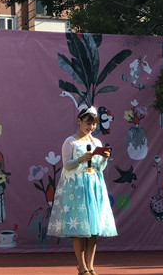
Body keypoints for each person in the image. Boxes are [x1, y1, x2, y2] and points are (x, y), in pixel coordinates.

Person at [47, 105, 117, 275]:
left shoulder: (96, 142)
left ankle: (90, 267)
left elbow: (99, 168)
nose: (91, 127)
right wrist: (81, 159)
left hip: (94, 187)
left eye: (94, 124)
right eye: (88, 123)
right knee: (79, 230)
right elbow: (66, 165)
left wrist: (104, 159)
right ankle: (82, 267)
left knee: (93, 230)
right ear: (79, 121)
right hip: (77, 188)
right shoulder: (70, 142)